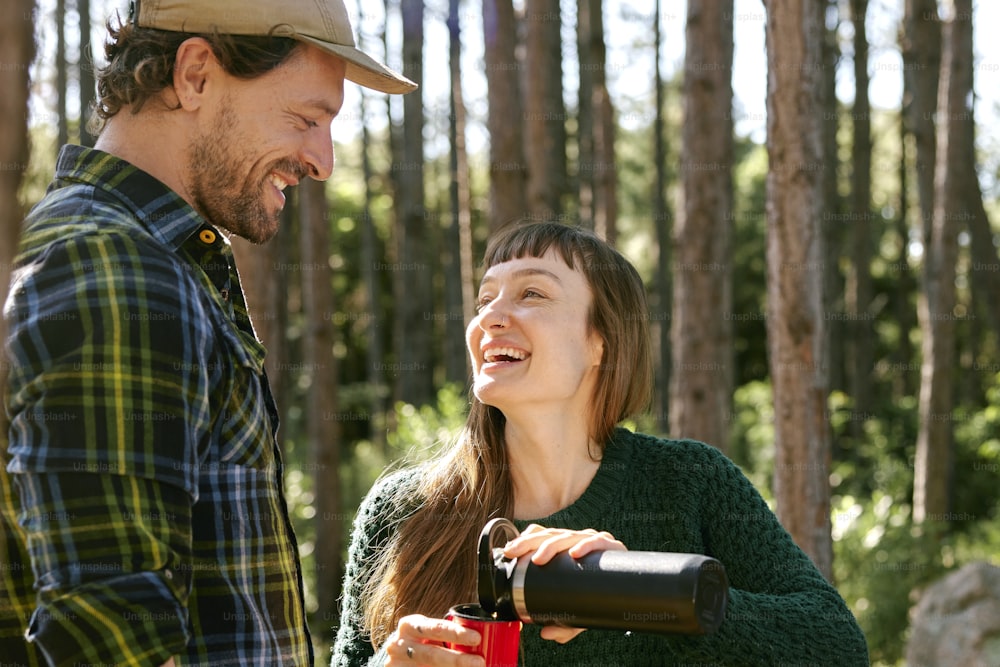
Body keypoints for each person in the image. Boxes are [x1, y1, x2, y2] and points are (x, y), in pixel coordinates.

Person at [1, 1, 415, 665]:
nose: (323, 160)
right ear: (195, 74)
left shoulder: (145, 258)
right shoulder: (118, 271)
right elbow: (112, 646)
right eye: (306, 119)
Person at [331, 221, 869, 666]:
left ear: (600, 342)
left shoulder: (689, 481)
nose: (490, 317)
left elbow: (837, 646)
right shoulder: (403, 508)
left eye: (532, 293)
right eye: (485, 298)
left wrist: (640, 594)